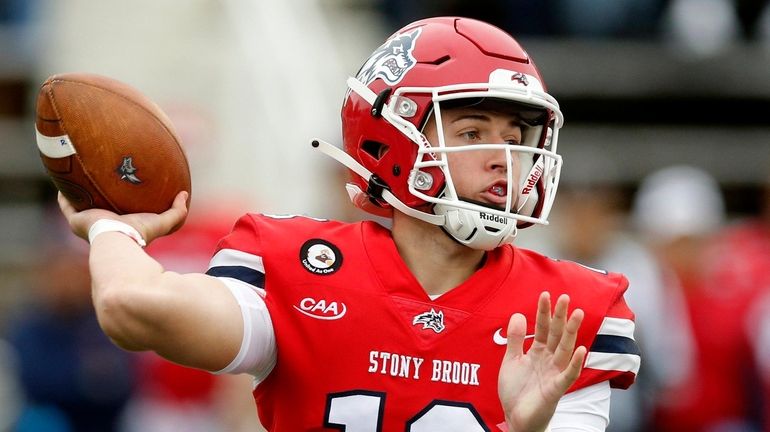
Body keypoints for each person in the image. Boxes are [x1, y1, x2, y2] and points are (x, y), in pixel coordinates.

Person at [56, 17, 640, 431]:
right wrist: (112, 228)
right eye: (472, 133)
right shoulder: (297, 267)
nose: (503, 158)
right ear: (391, 139)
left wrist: (523, 430)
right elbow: (132, 308)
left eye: (516, 139)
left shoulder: (567, 310)